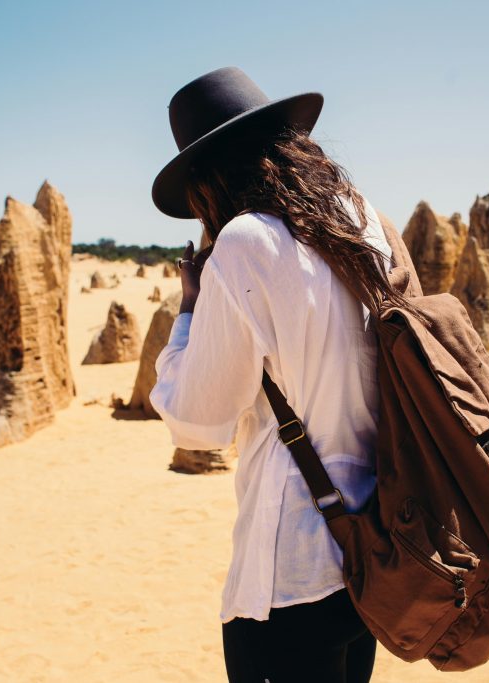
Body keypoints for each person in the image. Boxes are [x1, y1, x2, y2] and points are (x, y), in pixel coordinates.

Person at [147, 66, 410, 682]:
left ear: (210, 179)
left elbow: (197, 423)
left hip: (289, 570)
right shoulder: (358, 220)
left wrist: (190, 307)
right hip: (372, 550)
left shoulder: (247, 243)